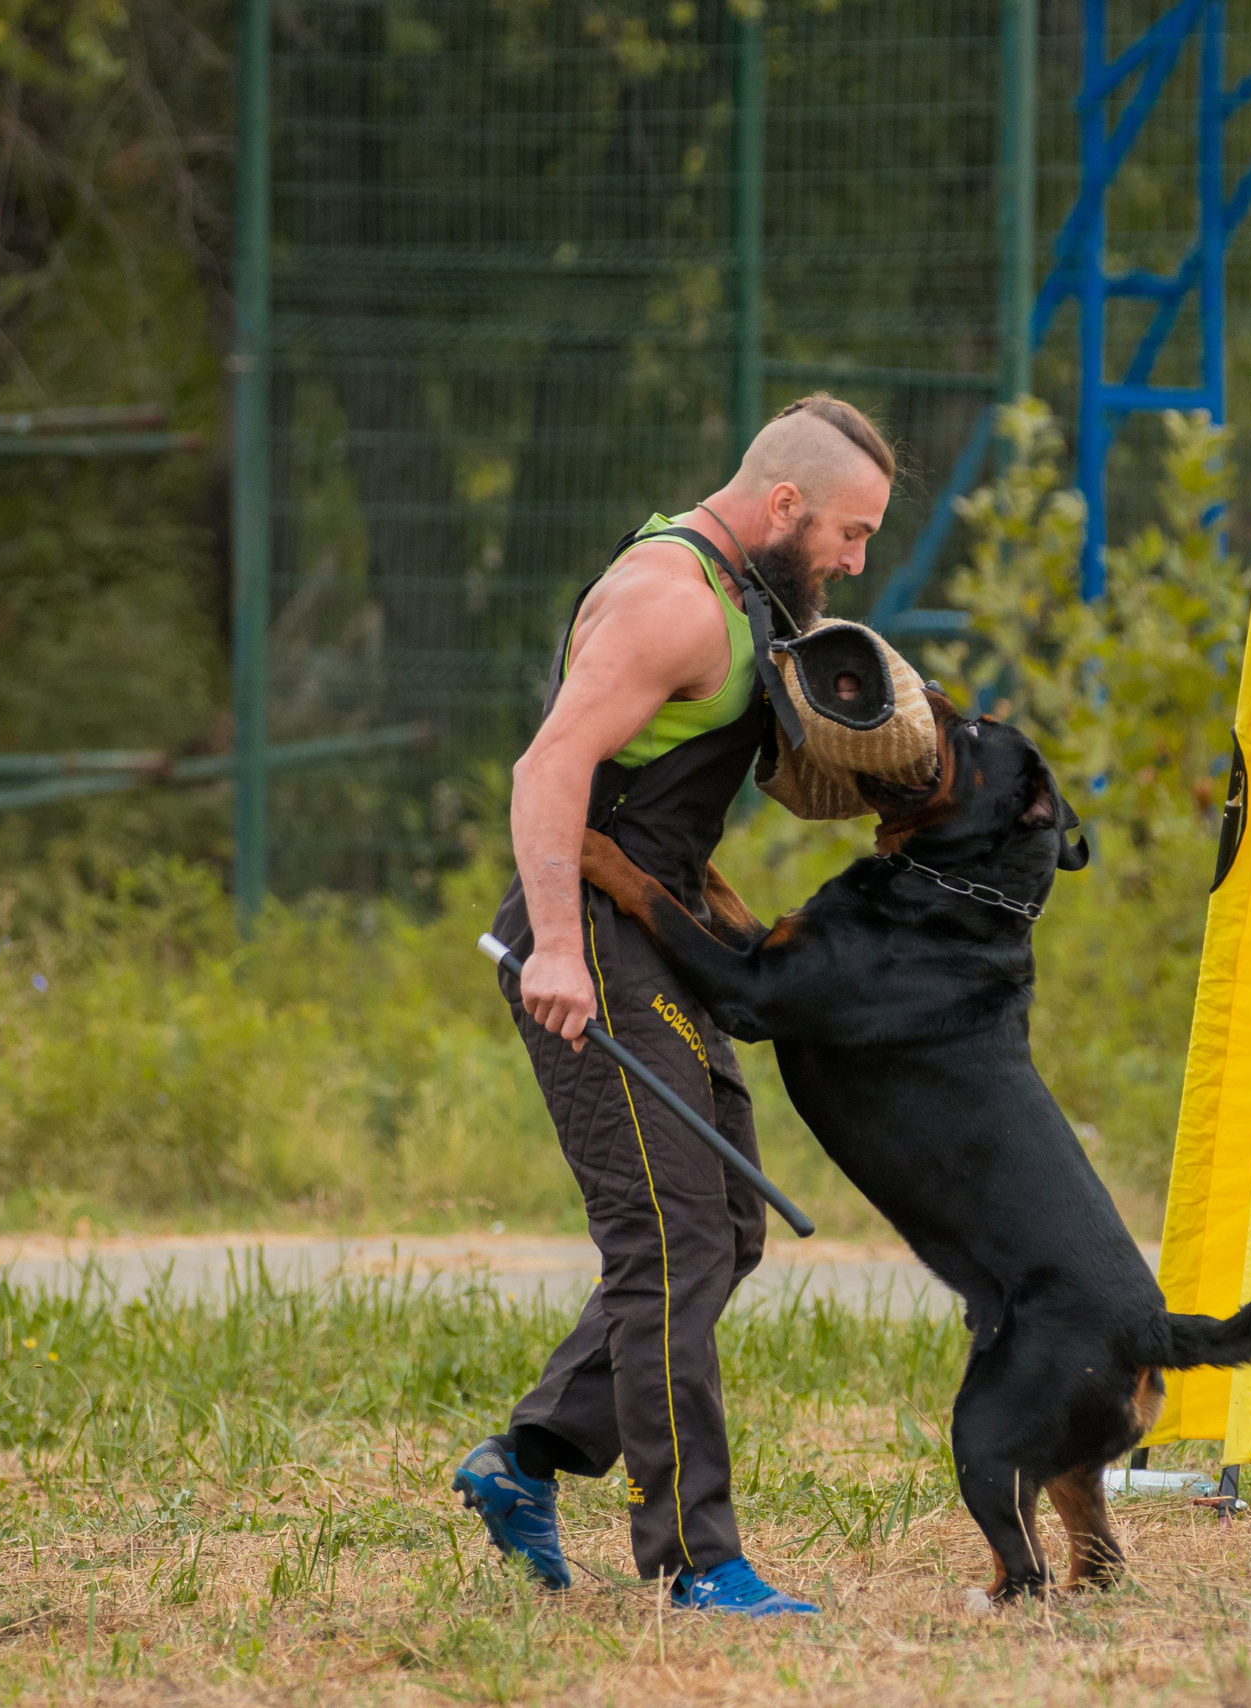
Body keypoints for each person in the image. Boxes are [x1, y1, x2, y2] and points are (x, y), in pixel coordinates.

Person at [453, 395, 893, 1617]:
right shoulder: (672, 598)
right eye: (850, 535)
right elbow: (549, 767)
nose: (856, 562)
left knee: (730, 1225)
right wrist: (554, 953)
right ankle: (699, 1562)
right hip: (583, 944)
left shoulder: (745, 595)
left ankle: (525, 1460)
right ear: (784, 505)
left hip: (655, 939)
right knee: (670, 1244)